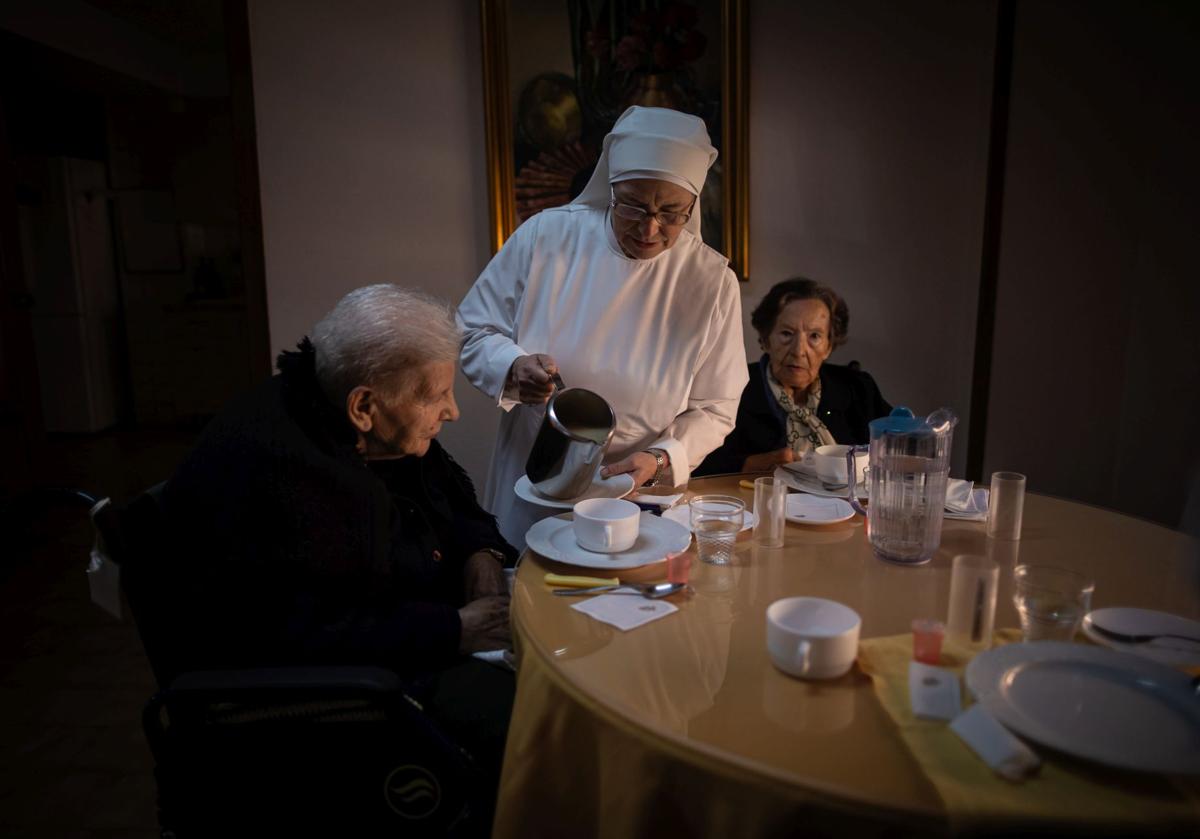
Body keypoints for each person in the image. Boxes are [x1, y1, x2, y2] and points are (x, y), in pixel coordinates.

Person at [160, 285, 516, 801]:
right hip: (328, 693)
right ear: (364, 405)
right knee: (530, 723)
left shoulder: (345, 413)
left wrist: (484, 555)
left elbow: (452, 500)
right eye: (435, 395)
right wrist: (454, 628)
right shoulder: (283, 475)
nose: (453, 411)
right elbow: (302, 631)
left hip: (405, 630)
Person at [458, 106, 749, 547]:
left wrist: (662, 456)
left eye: (672, 213)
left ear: (693, 206)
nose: (650, 229)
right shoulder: (546, 238)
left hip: (639, 494)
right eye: (633, 205)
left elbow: (716, 406)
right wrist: (512, 366)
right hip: (535, 477)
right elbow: (471, 331)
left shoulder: (711, 282)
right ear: (610, 189)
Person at [696, 277, 892, 475]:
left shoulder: (858, 388)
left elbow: (899, 449)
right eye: (787, 334)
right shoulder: (732, 388)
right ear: (765, 340)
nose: (799, 351)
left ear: (828, 347)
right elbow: (690, 466)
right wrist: (748, 465)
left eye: (814, 336)